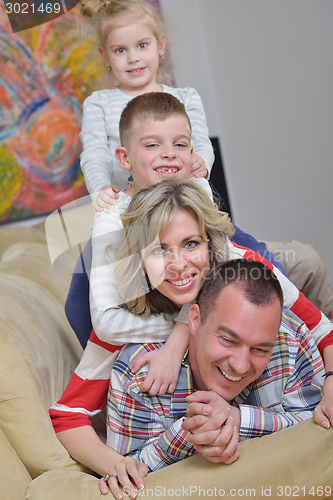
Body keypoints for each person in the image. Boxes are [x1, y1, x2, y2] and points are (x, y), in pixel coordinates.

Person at [51, 178, 333, 498]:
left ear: (209, 246)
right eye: (159, 249)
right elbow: (67, 415)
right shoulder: (122, 326)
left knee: (307, 261)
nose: (179, 265)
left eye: (190, 244)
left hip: (243, 274)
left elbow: (321, 327)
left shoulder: (245, 266)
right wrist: (115, 464)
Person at [106, 259, 324, 474]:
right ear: (194, 320)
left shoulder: (290, 340)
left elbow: (318, 425)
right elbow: (127, 473)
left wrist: (239, 419)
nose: (240, 366)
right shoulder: (137, 375)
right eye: (228, 340)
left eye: (260, 350)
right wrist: (192, 430)